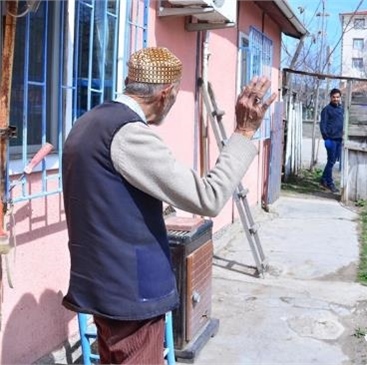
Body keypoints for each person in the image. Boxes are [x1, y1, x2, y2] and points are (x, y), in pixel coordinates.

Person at [61, 47, 276, 364]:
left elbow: (106, 200)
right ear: (165, 93)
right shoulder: (129, 135)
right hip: (131, 297)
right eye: (174, 99)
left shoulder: (87, 123)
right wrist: (244, 133)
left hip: (101, 287)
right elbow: (209, 197)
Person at [319, 88, 344, 193]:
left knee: (332, 161)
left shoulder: (342, 109)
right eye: (334, 97)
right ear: (331, 97)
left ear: (340, 97)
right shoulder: (326, 109)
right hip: (330, 140)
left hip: (339, 139)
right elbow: (322, 125)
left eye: (337, 97)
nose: (336, 99)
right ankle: (330, 183)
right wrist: (326, 137)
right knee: (331, 161)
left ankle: (323, 179)